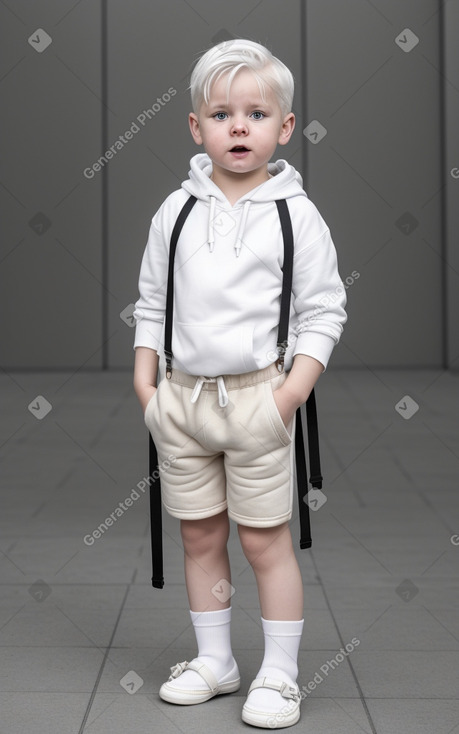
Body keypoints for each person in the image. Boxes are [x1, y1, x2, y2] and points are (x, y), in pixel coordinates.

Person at [133, 38, 347, 729]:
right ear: (196, 127)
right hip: (182, 401)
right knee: (200, 537)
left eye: (256, 113)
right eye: (221, 114)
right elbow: (152, 302)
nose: (238, 126)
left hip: (259, 400)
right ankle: (216, 661)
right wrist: (149, 389)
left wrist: (286, 398)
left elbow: (323, 311)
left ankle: (280, 675)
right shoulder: (177, 211)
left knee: (264, 541)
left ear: (283, 127)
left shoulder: (294, 214)